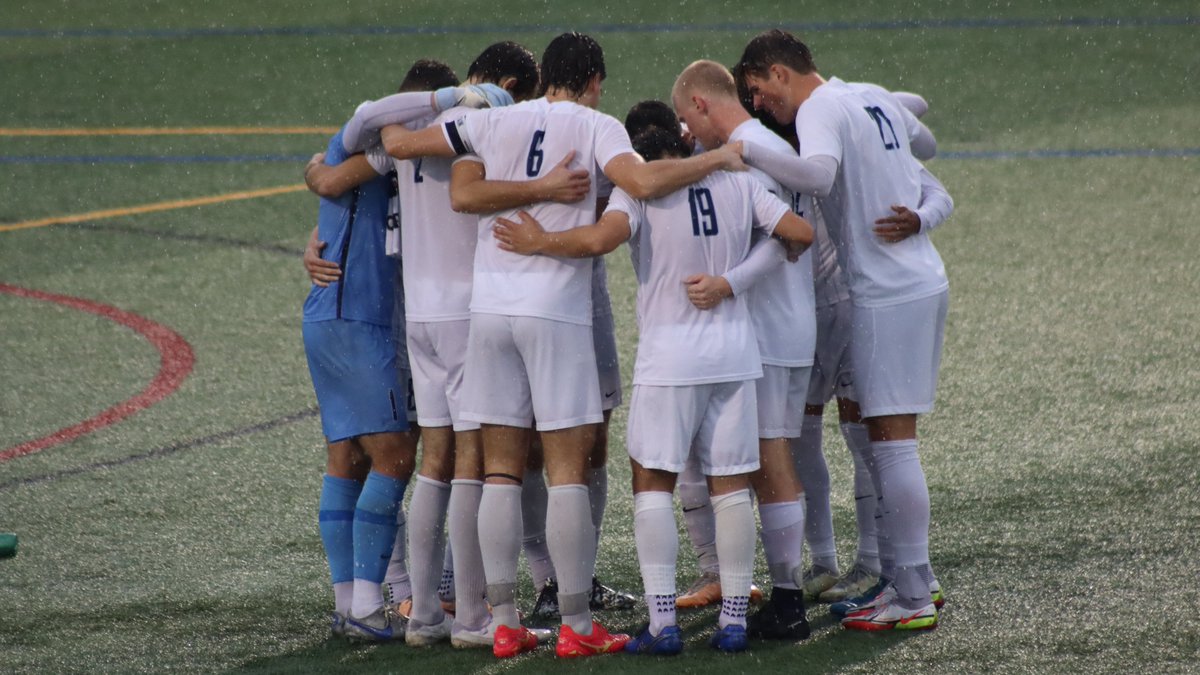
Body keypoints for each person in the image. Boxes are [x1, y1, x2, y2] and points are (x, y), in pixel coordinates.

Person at [379, 31, 746, 659]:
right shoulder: (600, 126)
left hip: (489, 309)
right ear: (595, 80)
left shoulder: (492, 121)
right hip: (556, 314)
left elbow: (456, 188)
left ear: (544, 73)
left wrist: (512, 177)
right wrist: (715, 159)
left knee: (498, 469)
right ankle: (576, 623)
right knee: (568, 468)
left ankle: (502, 622)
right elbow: (644, 184)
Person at [490, 126, 814, 654]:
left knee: (653, 483)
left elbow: (599, 240)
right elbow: (798, 233)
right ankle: (733, 622)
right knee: (731, 486)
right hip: (735, 356)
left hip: (670, 360)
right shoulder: (737, 182)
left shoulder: (637, 191)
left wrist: (538, 242)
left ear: (639, 154)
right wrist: (732, 280)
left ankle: (663, 625)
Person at [735, 29, 954, 631]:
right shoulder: (868, 94)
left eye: (757, 91)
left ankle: (910, 595)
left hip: (885, 293)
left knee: (891, 442)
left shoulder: (822, 107)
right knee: (888, 439)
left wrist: (746, 151)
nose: (758, 108)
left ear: (779, 72)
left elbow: (818, 176)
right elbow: (925, 143)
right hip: (921, 279)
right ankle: (918, 583)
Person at [301, 61, 460, 645]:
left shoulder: (375, 164)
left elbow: (331, 189)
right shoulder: (364, 139)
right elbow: (369, 114)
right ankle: (370, 603)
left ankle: (348, 603)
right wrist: (457, 94)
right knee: (396, 454)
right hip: (357, 319)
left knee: (348, 458)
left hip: (336, 317)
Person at [669, 59, 816, 641]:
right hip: (784, 325)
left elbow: (783, 240)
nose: (687, 134)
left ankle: (787, 598)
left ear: (702, 104)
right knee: (767, 458)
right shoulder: (761, 144)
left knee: (770, 459)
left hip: (772, 329)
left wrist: (728, 283)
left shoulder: (748, 149)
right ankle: (785, 591)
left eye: (686, 119)